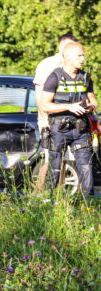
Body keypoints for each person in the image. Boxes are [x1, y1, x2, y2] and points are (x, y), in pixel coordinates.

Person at [41, 42, 98, 195]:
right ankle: (50, 201)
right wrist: (69, 107)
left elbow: (93, 100)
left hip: (81, 130)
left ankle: (88, 205)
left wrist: (91, 107)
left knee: (86, 168)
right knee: (55, 168)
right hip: (59, 130)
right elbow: (45, 105)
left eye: (83, 55)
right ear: (67, 57)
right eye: (79, 55)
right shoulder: (54, 77)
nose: (83, 58)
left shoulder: (85, 77)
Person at [33, 33, 77, 190]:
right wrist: (46, 121)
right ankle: (39, 197)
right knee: (51, 159)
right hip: (50, 120)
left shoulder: (71, 65)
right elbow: (39, 95)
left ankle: (58, 198)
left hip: (67, 122)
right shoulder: (47, 65)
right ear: (63, 47)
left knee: (63, 161)